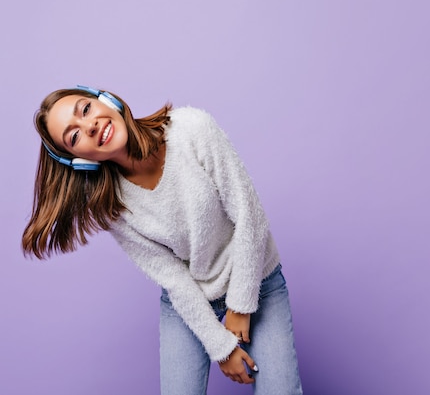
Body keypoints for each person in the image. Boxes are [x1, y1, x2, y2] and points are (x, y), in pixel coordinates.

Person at [22, 85, 303, 395]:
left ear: (107, 100)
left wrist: (240, 306)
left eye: (85, 109)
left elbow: (250, 216)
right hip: (191, 298)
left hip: (254, 278)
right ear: (78, 160)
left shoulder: (192, 127)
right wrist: (221, 347)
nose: (90, 126)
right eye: (74, 137)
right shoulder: (111, 206)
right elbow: (173, 279)